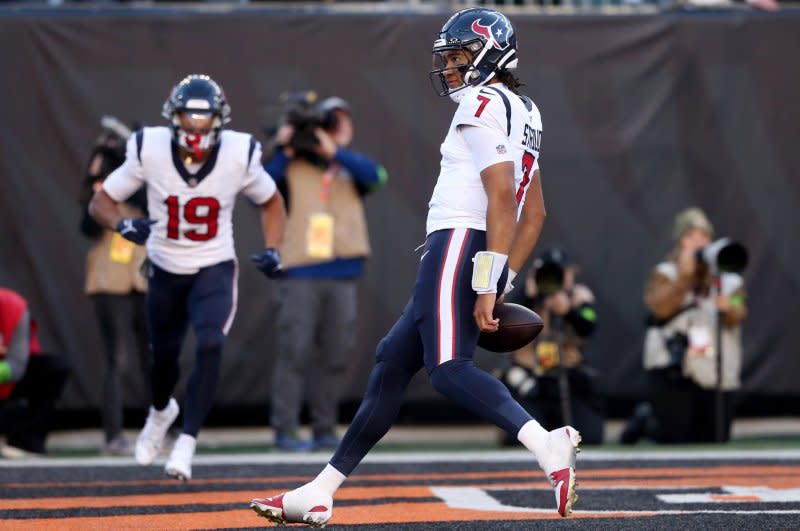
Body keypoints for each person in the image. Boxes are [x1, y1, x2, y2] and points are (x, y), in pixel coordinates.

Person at [249, 8, 579, 525]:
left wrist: (487, 283)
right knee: (392, 362)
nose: (449, 67)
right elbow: (533, 214)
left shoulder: (482, 99)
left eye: (459, 55)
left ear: (490, 53)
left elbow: (499, 197)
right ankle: (320, 489)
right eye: (447, 57)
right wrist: (503, 275)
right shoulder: (526, 109)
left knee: (449, 369)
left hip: (459, 244)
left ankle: (546, 443)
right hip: (473, 249)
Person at [89, 74, 287, 480]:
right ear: (173, 119)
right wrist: (123, 227)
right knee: (162, 360)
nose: (196, 130)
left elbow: (272, 202)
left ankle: (186, 442)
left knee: (212, 342)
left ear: (218, 121)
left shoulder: (238, 151)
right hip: (164, 266)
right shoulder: (150, 147)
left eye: (204, 121)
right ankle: (161, 412)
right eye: (189, 120)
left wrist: (273, 247)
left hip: (213, 265)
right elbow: (102, 201)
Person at [264, 95, 388, 451]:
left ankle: (324, 427)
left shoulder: (350, 166)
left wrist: (334, 150)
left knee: (335, 354)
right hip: (300, 272)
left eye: (342, 121)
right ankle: (285, 430)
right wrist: (284, 147)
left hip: (342, 273)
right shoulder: (289, 165)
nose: (340, 128)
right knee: (294, 352)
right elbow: (261, 189)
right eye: (332, 122)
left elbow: (377, 177)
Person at [620, 207, 747, 444]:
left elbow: (740, 310)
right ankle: (648, 422)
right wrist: (684, 277)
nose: (699, 243)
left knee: (716, 438)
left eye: (704, 237)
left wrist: (729, 307)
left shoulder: (730, 280)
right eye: (691, 237)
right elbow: (659, 307)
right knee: (676, 437)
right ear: (680, 242)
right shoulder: (665, 273)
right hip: (675, 370)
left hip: (716, 372)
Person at [79, 116, 150, 456]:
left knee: (153, 358)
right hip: (110, 282)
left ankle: (159, 431)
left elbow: (149, 203)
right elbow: (88, 228)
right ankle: (113, 436)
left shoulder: (144, 179)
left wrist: (131, 169)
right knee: (117, 360)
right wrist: (97, 177)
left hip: (143, 281)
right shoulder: (102, 187)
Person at [497, 247, 603, 445]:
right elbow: (503, 326)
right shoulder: (523, 298)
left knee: (589, 436)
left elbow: (590, 324)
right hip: (530, 383)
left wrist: (569, 311)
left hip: (567, 382)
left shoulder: (579, 296)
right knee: (518, 439)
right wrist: (529, 296)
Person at [0, 287, 70, 458]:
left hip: (7, 384)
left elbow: (17, 365)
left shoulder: (13, 306)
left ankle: (26, 440)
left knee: (55, 367)